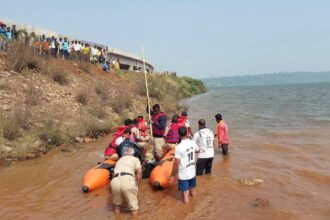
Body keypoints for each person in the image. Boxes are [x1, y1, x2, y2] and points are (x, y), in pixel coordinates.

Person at [169, 127, 199, 204]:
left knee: (185, 195)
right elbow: (197, 150)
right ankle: (196, 206)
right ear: (187, 133)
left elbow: (176, 163)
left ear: (179, 135)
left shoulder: (178, 147)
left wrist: (172, 176)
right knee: (193, 191)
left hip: (184, 175)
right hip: (192, 172)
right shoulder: (192, 142)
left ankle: (187, 211)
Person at [111, 147, 142, 215]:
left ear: (124, 153)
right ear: (132, 154)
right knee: (134, 208)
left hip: (115, 181)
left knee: (117, 206)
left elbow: (113, 174)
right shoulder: (135, 159)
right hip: (127, 179)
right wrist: (137, 184)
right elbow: (139, 172)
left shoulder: (119, 160)